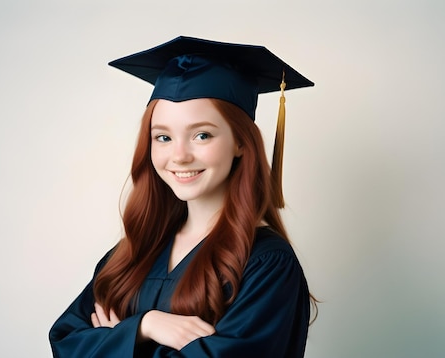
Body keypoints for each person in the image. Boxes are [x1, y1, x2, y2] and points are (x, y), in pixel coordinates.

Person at [49, 36, 316, 357]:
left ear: (241, 142)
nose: (179, 155)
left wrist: (114, 340)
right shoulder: (130, 254)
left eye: (202, 134)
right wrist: (146, 325)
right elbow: (66, 343)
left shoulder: (266, 264)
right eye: (163, 137)